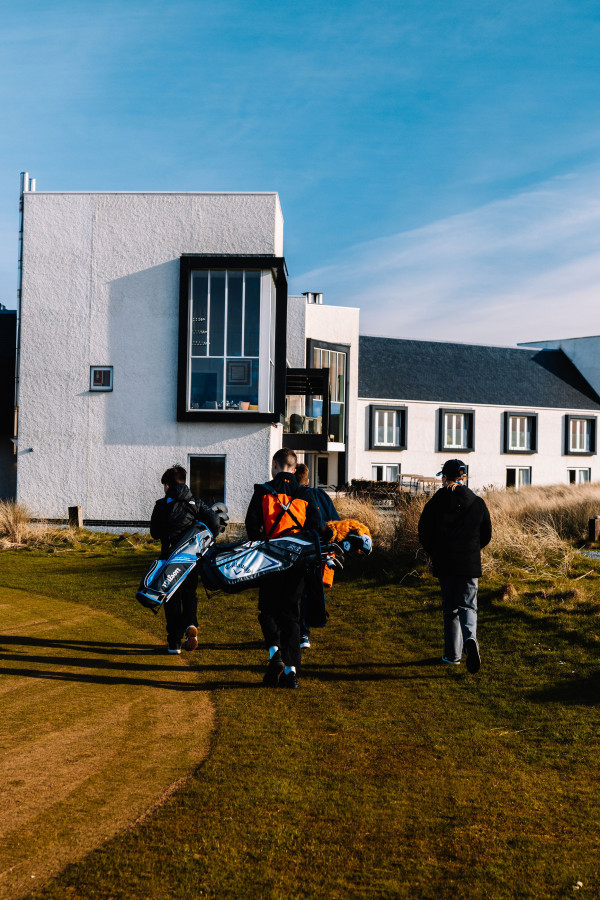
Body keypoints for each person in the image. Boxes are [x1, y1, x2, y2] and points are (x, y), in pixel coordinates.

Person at [245, 448, 323, 688]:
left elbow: (251, 527)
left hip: (269, 561)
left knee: (267, 611)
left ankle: (275, 654)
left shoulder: (263, 491)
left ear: (275, 465)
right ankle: (291, 672)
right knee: (292, 616)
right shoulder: (306, 493)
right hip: (296, 563)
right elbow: (317, 529)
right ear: (294, 466)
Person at [418, 459, 492, 673]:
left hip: (445, 562)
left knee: (450, 609)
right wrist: (472, 550)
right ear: (464, 477)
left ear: (445, 477)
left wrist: (435, 552)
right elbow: (486, 534)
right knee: (468, 605)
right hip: (469, 562)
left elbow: (424, 531)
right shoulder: (477, 502)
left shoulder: (435, 502)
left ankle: (452, 655)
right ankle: (470, 639)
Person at [150, 465, 220, 655]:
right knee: (190, 594)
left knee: (171, 599)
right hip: (191, 559)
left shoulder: (161, 505)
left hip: (169, 559)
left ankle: (174, 642)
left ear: (168, 485)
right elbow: (215, 523)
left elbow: (154, 533)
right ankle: (190, 624)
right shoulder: (196, 504)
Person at [294, 463, 340, 649]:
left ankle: (299, 632)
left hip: (295, 549)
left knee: (297, 593)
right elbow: (334, 523)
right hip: (318, 550)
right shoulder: (320, 496)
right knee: (310, 592)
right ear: (308, 478)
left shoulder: (288, 496)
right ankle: (304, 632)